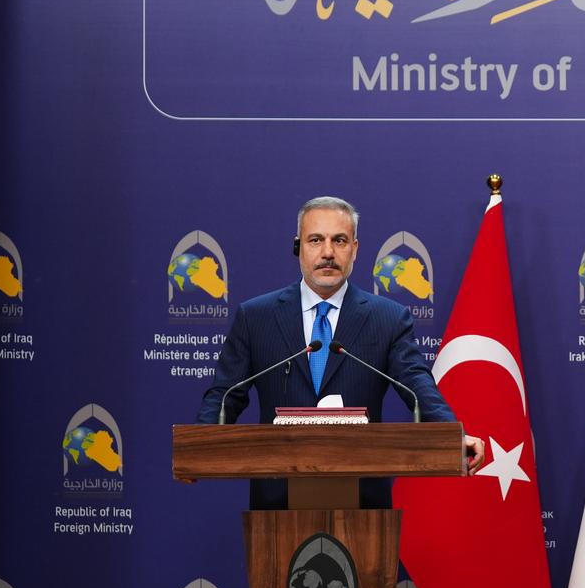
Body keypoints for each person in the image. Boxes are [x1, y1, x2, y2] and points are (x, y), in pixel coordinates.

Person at [197, 196, 484, 508]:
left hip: (362, 500)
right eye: (316, 240)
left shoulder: (387, 318)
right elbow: (226, 395)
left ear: (355, 249)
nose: (328, 252)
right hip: (277, 501)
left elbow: (416, 385)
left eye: (340, 240)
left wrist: (452, 435)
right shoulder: (257, 317)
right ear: (299, 247)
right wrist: (198, 447)